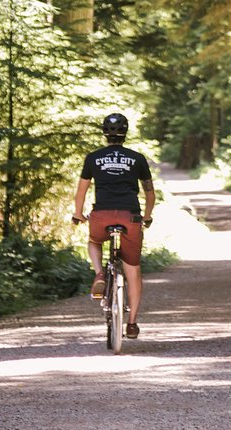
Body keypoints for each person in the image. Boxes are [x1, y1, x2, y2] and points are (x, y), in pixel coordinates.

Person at [73, 113, 155, 339]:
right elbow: (149, 192)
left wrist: (78, 214)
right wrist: (147, 216)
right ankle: (131, 323)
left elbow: (81, 191)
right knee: (133, 271)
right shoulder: (137, 159)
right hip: (131, 217)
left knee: (94, 241)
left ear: (104, 133)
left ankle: (99, 273)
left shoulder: (93, 158)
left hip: (101, 215)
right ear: (125, 133)